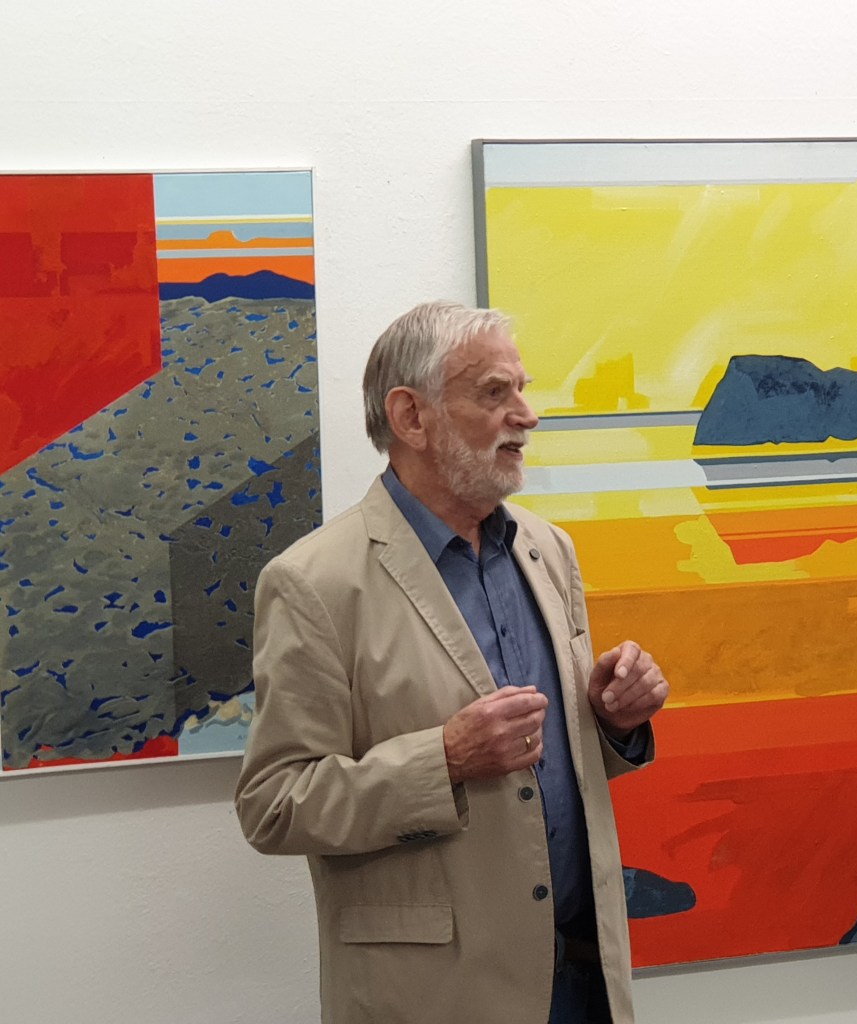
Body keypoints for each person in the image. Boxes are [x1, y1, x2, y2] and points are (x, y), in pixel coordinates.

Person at [234, 300, 669, 1024]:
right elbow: (274, 805)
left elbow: (547, 769)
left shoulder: (548, 549)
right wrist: (444, 760)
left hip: (584, 981)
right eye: (495, 392)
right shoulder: (312, 583)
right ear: (411, 417)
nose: (527, 415)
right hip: (439, 996)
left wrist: (611, 720)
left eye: (522, 389)